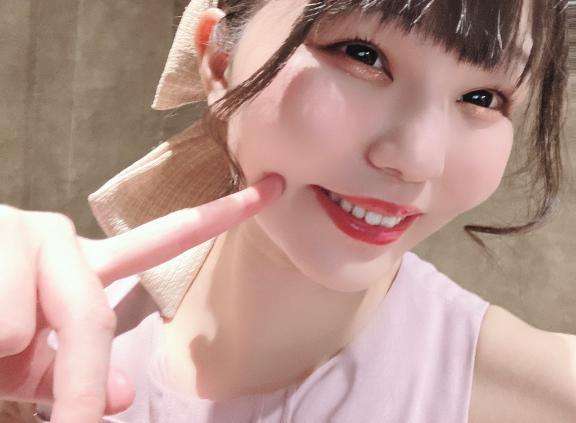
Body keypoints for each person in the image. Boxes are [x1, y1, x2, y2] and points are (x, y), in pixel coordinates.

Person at [0, 0, 573, 422]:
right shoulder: (53, 334)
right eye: (363, 55)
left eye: (482, 98)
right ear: (219, 59)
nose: (419, 160)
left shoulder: (541, 393)